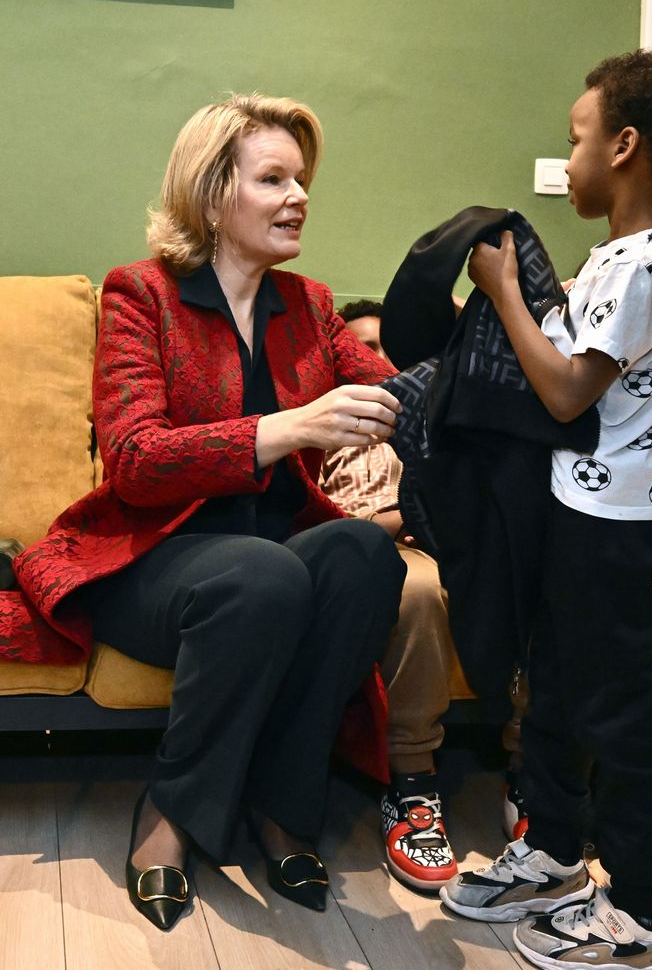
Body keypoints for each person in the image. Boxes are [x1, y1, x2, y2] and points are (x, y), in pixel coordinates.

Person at [12, 93, 408, 930]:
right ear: (213, 192)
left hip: (271, 566)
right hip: (152, 565)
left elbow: (392, 394)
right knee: (258, 570)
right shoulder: (140, 295)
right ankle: (171, 812)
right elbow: (134, 459)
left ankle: (281, 802)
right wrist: (282, 428)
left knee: (360, 554)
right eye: (273, 179)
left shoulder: (306, 304)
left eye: (301, 180)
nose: (298, 196)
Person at [439, 48, 652, 970]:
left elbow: (564, 395)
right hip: (577, 509)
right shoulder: (619, 260)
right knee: (550, 686)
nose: (570, 156)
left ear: (623, 146)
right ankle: (549, 852)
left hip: (613, 526)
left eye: (576, 139)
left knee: (619, 713)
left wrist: (503, 292)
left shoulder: (646, 268)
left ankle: (640, 913)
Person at [321, 299, 459, 893]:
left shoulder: (432, 419)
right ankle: (412, 784)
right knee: (418, 589)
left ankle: (536, 777)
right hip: (371, 552)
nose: (376, 361)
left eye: (384, 347)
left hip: (445, 543)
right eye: (361, 349)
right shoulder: (328, 428)